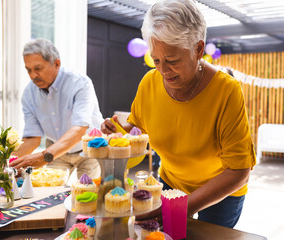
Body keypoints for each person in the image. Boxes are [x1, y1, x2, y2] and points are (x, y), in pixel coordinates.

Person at [102, 0, 256, 228]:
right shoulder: (149, 84)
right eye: (156, 60)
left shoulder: (227, 91)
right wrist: (116, 134)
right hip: (171, 182)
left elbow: (238, 171)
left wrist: (183, 208)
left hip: (220, 194)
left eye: (172, 61)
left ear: (198, 49)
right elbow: (136, 132)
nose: (163, 71)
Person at [10, 38, 102, 179]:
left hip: (89, 149)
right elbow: (32, 138)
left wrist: (45, 156)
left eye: (38, 69)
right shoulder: (29, 94)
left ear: (56, 63)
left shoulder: (81, 83)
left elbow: (79, 129)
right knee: (52, 193)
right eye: (28, 70)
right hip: (56, 150)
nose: (33, 75)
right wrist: (6, 162)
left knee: (87, 194)